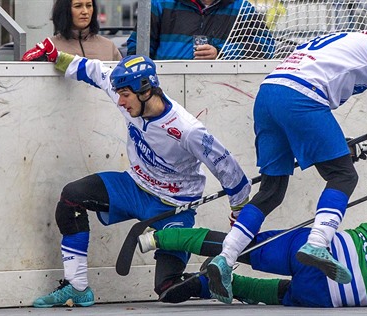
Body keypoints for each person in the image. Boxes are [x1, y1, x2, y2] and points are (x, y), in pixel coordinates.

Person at [206, 14, 367, 304]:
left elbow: (313, 96)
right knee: (344, 176)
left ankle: (224, 257)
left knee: (272, 192)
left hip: (269, 95)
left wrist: (337, 144)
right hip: (302, 99)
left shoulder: (347, 39)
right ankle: (317, 243)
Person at [21, 38, 251, 307]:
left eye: (125, 95)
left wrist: (239, 213)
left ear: (145, 91)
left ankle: (216, 280)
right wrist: (54, 55)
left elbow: (229, 169)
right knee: (72, 196)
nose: (120, 101)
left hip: (175, 205)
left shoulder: (187, 130)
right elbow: (93, 70)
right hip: (134, 186)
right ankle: (77, 287)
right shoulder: (127, 93)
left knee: (168, 290)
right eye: (119, 94)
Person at [138, 194, 367, 307]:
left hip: (324, 248)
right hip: (330, 295)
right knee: (278, 292)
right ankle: (202, 286)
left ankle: (157, 239)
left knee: (243, 246)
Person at [126, 0, 275, 60]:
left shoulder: (241, 8)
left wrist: (222, 53)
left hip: (221, 92)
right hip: (165, 92)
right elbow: (137, 46)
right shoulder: (161, 4)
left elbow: (266, 47)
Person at [49, 0, 122, 61]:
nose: (85, 12)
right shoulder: (50, 48)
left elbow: (122, 76)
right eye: (78, 6)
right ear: (64, 10)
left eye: (89, 5)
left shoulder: (108, 46)